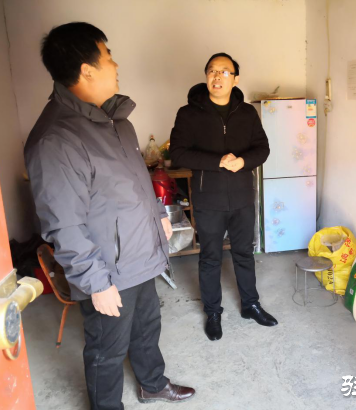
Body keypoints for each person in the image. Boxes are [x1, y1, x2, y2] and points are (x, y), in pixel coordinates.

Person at [24, 22, 195, 409]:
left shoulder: (116, 121)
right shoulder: (57, 139)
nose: (116, 65)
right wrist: (95, 282)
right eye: (109, 56)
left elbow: (133, 182)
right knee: (107, 348)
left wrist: (158, 214)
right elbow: (64, 224)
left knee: (147, 326)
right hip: (109, 269)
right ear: (87, 70)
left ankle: (152, 383)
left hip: (140, 253)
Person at [170, 52, 278, 341]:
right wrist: (217, 161)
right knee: (210, 257)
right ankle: (213, 312)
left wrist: (243, 161)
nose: (217, 76)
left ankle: (251, 305)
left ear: (235, 79)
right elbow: (177, 153)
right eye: (212, 71)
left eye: (224, 71)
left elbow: (263, 148)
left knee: (244, 253)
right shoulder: (188, 113)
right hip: (209, 199)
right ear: (206, 76)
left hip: (242, 197)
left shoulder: (247, 113)